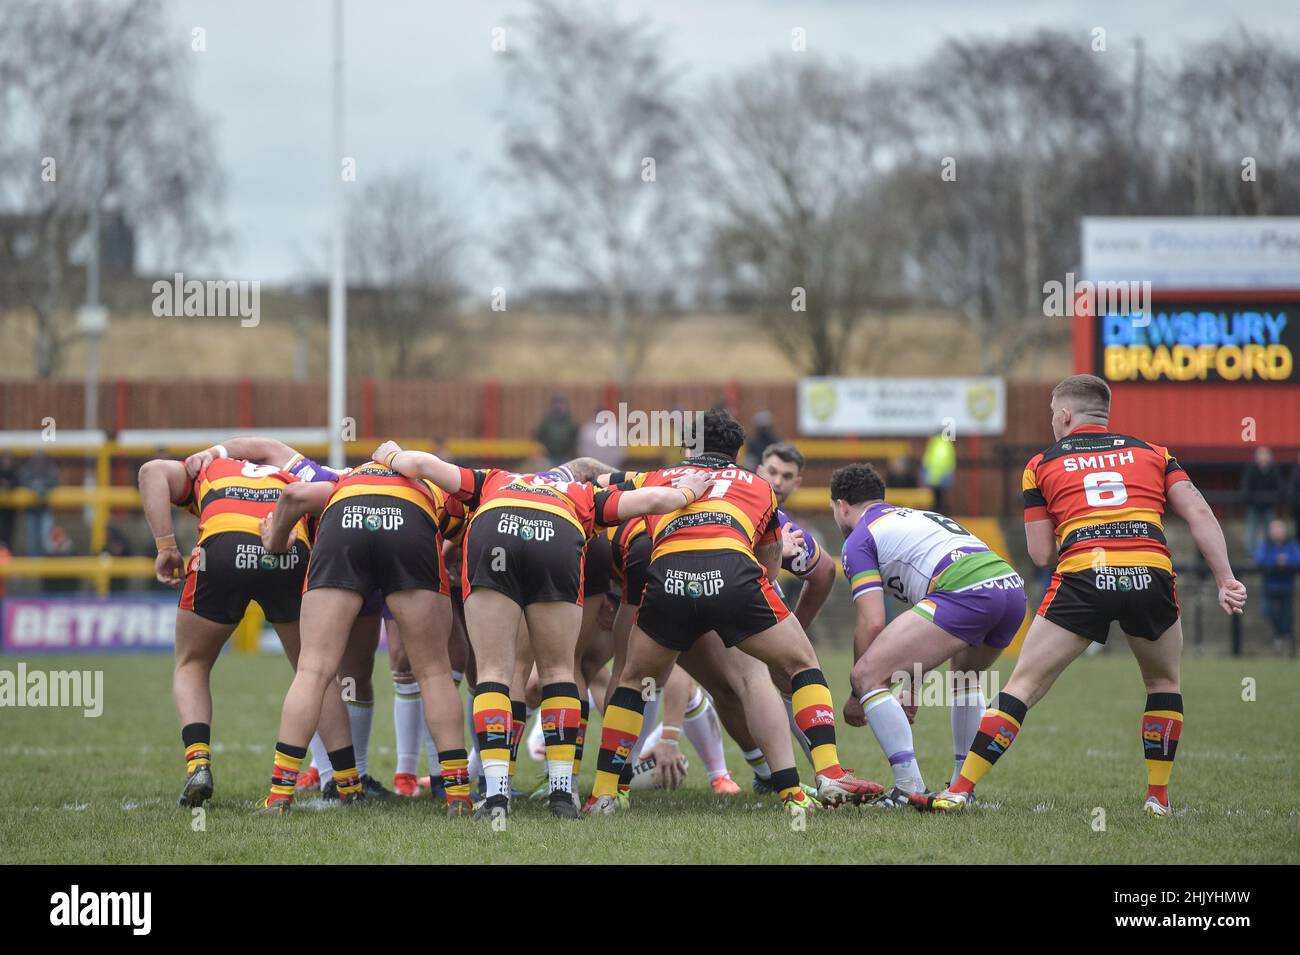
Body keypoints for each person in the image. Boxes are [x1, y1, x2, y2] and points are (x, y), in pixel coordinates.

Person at [913, 374, 1247, 817]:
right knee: (1163, 684)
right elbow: (1199, 511)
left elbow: (1039, 553)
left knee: (1024, 685)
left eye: (1054, 415)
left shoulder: (1041, 464)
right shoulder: (1155, 454)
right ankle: (1157, 799)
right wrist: (1225, 578)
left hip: (1085, 575)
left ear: (1065, 415)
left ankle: (959, 789)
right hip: (1150, 572)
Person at [373, 439, 711, 820]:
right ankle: (562, 792)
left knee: (494, 674)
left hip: (494, 530)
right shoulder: (583, 492)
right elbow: (650, 502)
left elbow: (420, 463)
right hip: (557, 537)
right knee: (559, 672)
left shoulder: (494, 479)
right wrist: (687, 491)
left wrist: (389, 455)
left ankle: (496, 795)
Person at [585, 408, 883, 816]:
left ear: (689, 447)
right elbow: (773, 562)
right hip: (733, 578)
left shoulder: (656, 478)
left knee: (633, 680)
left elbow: (594, 487)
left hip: (667, 580)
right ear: (738, 453)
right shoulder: (760, 486)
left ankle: (605, 792)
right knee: (800, 664)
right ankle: (818, 779)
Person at [137, 447, 356, 809]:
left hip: (221, 549)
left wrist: (165, 547)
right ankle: (348, 784)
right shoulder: (290, 475)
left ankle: (199, 765)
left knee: (192, 664)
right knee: (315, 671)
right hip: (289, 550)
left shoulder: (208, 470)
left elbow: (150, 472)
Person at [832, 463, 1026, 807]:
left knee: (866, 675)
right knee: (966, 677)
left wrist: (858, 691)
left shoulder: (859, 539)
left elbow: (873, 622)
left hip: (966, 589)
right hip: (1009, 589)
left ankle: (908, 787)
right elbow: (924, 624)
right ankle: (960, 788)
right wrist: (911, 683)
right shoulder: (916, 517)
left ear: (841, 505)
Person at [1256, 518, 1300, 657]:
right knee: (1267, 611)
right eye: (1275, 529)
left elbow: (1297, 559)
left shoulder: (1291, 545)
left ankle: (1283, 638)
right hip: (1269, 587)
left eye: (1280, 529)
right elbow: (1260, 560)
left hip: (1287, 587)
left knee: (1286, 615)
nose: (1277, 532)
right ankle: (1279, 635)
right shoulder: (1266, 545)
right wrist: (1276, 561)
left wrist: (1287, 561)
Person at [1241, 446, 1282, 556]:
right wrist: (1249, 498)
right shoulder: (1251, 469)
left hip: (1269, 505)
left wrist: (1274, 498)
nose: (1263, 457)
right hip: (1254, 506)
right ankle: (1251, 555)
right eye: (1261, 454)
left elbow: (1279, 486)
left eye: (1265, 454)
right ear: (1256, 457)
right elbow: (1246, 486)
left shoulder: (1274, 470)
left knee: (1270, 530)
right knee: (1252, 530)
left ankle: (1270, 554)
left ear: (1270, 457)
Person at [20, 450, 58, 557]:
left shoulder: (50, 469)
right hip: (31, 510)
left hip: (45, 508)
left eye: (41, 459)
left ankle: (45, 566)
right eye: (37, 459)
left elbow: (54, 482)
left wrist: (43, 487)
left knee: (46, 540)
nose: (39, 462)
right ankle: (34, 569)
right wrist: (33, 487)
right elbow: (22, 482)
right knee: (32, 540)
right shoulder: (27, 470)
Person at [535, 395, 578, 465]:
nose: (558, 406)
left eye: (561, 404)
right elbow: (539, 436)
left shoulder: (571, 422)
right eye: (556, 403)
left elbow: (575, 438)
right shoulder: (546, 421)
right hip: (549, 457)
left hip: (565, 457)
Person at [921, 431, 956, 515]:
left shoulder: (937, 443)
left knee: (937, 498)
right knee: (940, 498)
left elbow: (932, 459)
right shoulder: (946, 443)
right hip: (943, 474)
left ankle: (937, 514)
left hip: (937, 475)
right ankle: (941, 514)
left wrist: (930, 474)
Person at [0, 452, 19, 551]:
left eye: (8, 459)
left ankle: (7, 560)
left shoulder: (15, 472)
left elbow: (17, 483)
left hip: (9, 511)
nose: (6, 462)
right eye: (4, 459)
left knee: (7, 537)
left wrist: (8, 485)